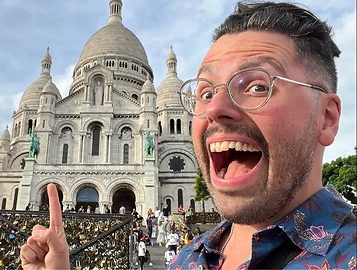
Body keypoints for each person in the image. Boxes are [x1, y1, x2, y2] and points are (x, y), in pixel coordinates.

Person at [20, 2, 356, 269]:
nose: (215, 109)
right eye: (206, 93)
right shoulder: (189, 259)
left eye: (257, 86)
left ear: (326, 117)